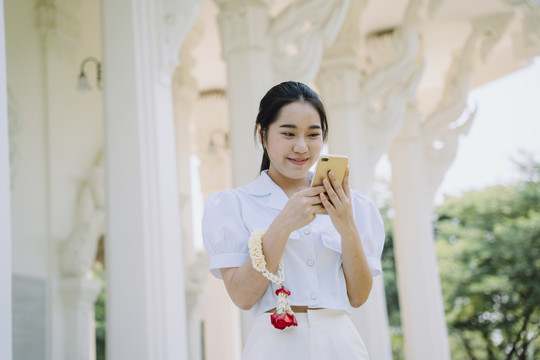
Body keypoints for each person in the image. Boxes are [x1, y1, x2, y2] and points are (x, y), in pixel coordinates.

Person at [202, 81, 385, 359]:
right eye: (288, 133)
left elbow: (358, 296)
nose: (301, 147)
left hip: (341, 344)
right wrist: (284, 224)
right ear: (262, 135)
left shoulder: (355, 205)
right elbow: (242, 296)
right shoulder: (233, 205)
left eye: (313, 134)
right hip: (275, 344)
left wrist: (346, 226)